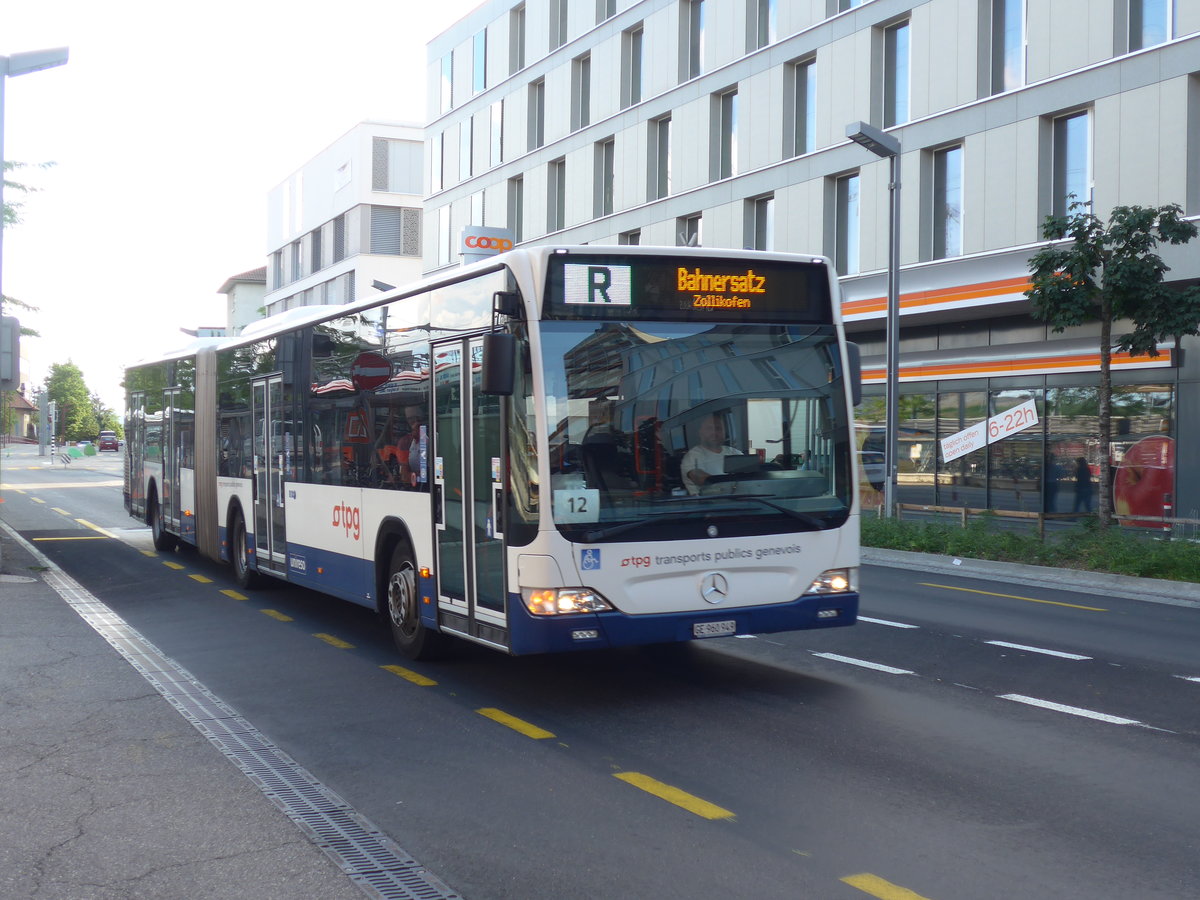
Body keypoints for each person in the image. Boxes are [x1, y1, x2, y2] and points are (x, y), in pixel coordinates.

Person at [680, 414, 740, 495]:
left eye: (718, 428)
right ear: (700, 432)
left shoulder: (733, 452)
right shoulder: (693, 455)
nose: (714, 432)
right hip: (706, 505)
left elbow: (750, 474)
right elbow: (701, 479)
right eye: (709, 428)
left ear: (724, 432)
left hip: (740, 502)